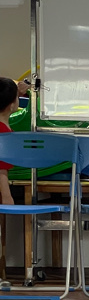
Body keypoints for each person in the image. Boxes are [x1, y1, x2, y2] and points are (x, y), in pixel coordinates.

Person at [0, 76, 26, 205]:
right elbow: (1, 169)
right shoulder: (3, 131)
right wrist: (7, 196)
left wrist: (15, 93)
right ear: (11, 105)